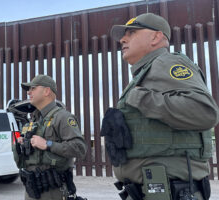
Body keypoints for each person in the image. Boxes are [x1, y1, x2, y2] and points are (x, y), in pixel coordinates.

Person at [103, 13, 219, 200]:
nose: (123, 39)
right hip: (148, 191)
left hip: (170, 191)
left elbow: (205, 111)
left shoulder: (166, 62)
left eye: (131, 33)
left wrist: (141, 98)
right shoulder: (145, 73)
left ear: (156, 37)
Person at [12, 74, 87, 200]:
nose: (29, 92)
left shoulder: (62, 117)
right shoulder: (34, 120)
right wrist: (22, 144)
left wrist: (48, 144)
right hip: (32, 188)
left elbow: (79, 148)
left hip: (53, 191)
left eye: (33, 88)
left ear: (47, 91)